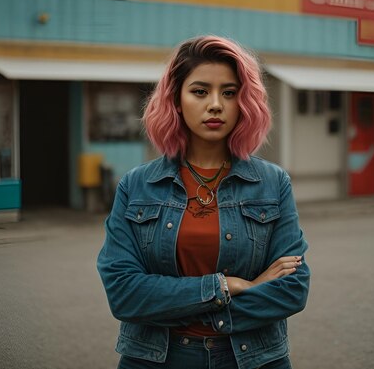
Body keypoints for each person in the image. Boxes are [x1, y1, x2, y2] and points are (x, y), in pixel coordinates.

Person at [97, 35, 310, 369]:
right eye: (200, 91)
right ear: (177, 100)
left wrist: (183, 303)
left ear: (245, 102)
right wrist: (226, 287)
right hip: (156, 359)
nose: (215, 104)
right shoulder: (137, 186)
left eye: (229, 92)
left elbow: (292, 288)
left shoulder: (273, 183)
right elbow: (124, 294)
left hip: (253, 359)